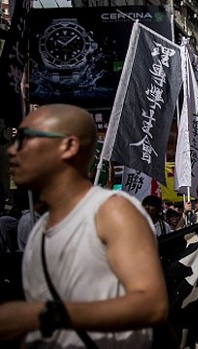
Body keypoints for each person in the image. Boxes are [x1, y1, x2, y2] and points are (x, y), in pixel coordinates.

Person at [0, 104, 167, 347]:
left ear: (68, 146)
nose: (12, 151)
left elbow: (152, 305)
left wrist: (41, 315)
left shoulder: (111, 211)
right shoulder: (39, 228)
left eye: (24, 138)